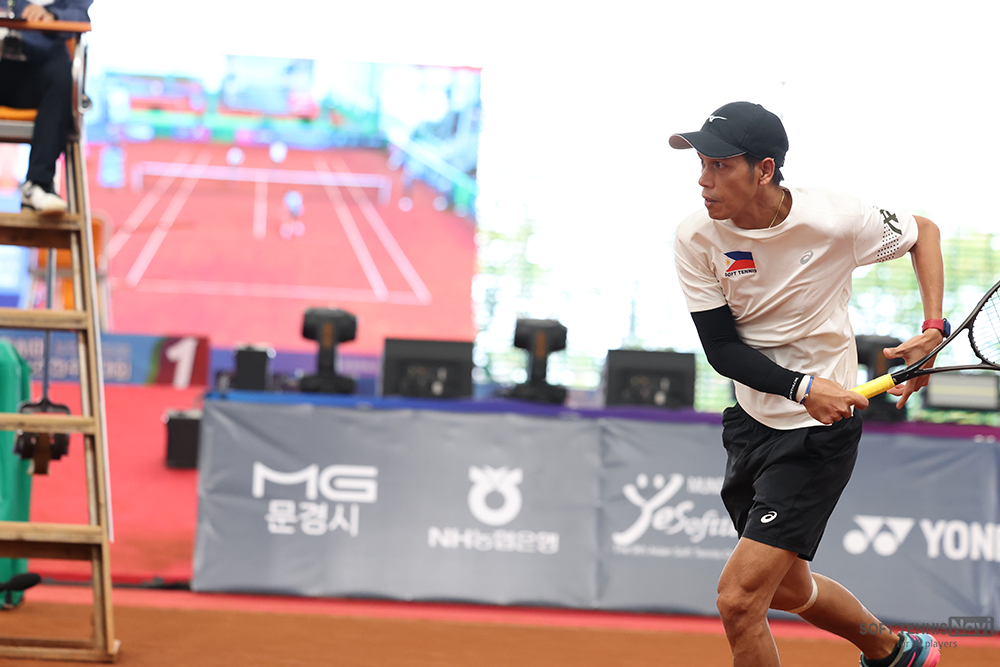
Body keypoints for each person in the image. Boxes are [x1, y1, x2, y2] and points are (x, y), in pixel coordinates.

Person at [670, 101, 945, 667]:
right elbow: (721, 349)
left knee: (739, 600)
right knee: (788, 588)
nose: (703, 180)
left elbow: (924, 232)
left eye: (720, 165)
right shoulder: (696, 237)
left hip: (820, 435)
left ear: (764, 170)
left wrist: (933, 329)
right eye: (702, 164)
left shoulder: (835, 219)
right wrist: (801, 386)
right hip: (752, 423)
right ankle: (893, 652)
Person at [0, 0, 92, 214]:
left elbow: (80, 15)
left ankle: (38, 184)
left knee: (62, 75)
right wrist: (18, 7)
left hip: (37, 72)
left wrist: (52, 15)